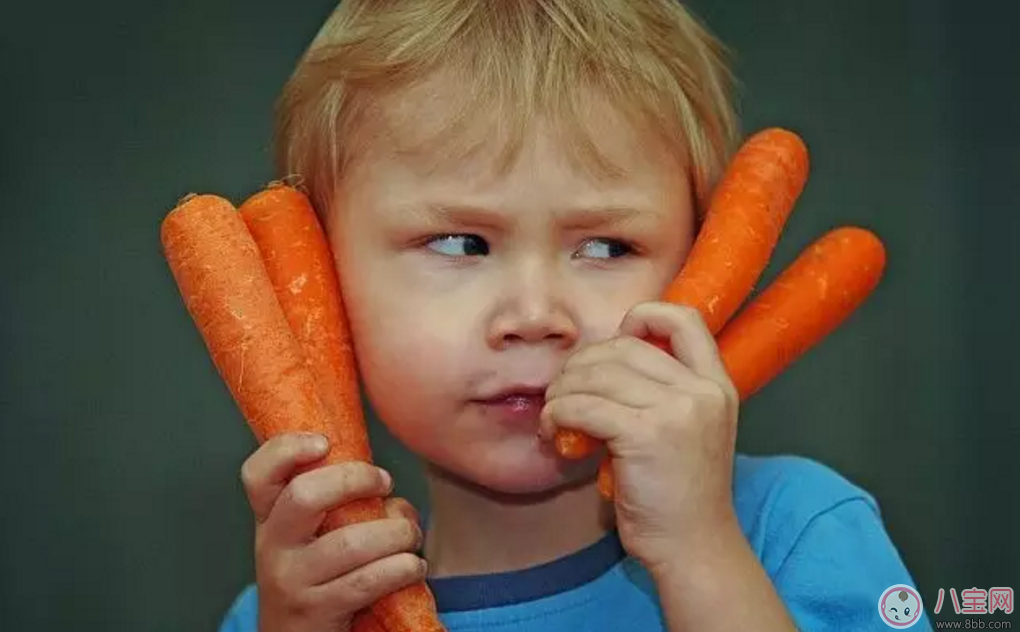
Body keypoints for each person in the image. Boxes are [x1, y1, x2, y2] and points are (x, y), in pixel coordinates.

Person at [218, 1, 930, 630]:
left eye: (604, 246)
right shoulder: (290, 609)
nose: (535, 315)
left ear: (698, 260)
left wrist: (700, 554)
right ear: (322, 276)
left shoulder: (794, 529)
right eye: (461, 243)